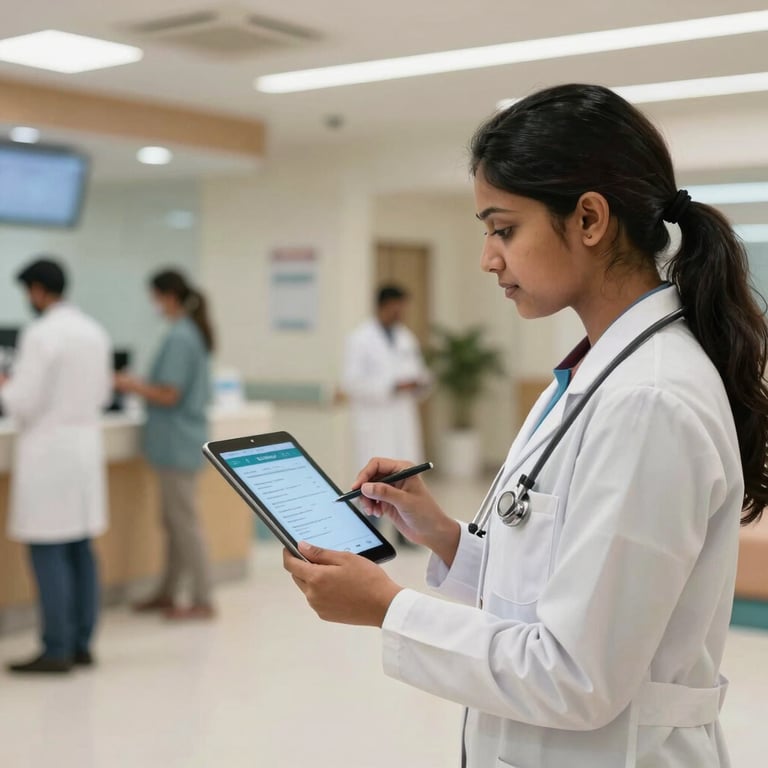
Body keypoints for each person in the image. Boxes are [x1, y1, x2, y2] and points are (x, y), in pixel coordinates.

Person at [283, 84, 768, 767]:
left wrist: (388, 608)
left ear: (590, 219)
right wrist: (444, 535)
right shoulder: (596, 374)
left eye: (503, 228)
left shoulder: (648, 400)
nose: (488, 257)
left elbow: (576, 677)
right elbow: (558, 588)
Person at [1, 258, 112, 674]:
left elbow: (22, 401)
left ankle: (56, 648)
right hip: (83, 451)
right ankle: (81, 643)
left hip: (48, 453)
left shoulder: (41, 333)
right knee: (80, 549)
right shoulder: (94, 331)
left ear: (37, 290)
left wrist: (6, 387)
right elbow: (103, 394)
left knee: (48, 551)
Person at [115, 270, 215, 621]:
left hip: (177, 442)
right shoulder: (188, 333)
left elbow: (169, 394)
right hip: (179, 442)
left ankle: (203, 598)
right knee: (174, 523)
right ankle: (168, 591)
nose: (154, 305)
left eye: (155, 297)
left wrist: (130, 385)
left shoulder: (181, 337)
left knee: (184, 524)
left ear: (168, 296)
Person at [342, 284, 431, 473]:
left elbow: (420, 372)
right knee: (375, 476)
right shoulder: (360, 338)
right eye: (397, 307)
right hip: (375, 420)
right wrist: (392, 387)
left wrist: (419, 383)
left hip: (402, 416)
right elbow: (352, 383)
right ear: (383, 306)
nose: (401, 312)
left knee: (405, 473)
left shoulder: (406, 337)